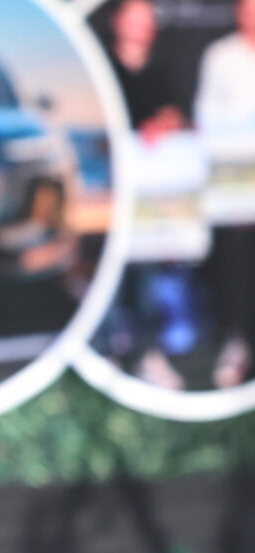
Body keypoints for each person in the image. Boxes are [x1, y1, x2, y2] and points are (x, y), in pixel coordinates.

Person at [104, 0, 200, 387]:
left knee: (151, 273)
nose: (142, 28)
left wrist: (164, 122)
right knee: (116, 274)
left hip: (154, 194)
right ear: (117, 22)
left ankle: (147, 353)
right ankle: (116, 351)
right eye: (134, 20)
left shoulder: (161, 69)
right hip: (112, 190)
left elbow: (178, 113)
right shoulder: (102, 67)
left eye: (147, 21)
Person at [197, 0, 255, 386]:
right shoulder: (220, 56)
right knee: (239, 266)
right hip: (238, 181)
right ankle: (238, 343)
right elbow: (205, 114)